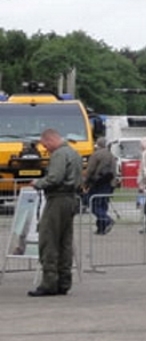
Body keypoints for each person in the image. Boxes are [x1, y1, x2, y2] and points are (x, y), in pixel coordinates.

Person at [29, 127, 84, 297]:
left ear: (50, 140)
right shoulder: (74, 153)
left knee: (49, 240)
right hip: (71, 198)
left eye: (45, 145)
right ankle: (64, 281)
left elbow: (55, 178)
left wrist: (38, 183)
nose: (45, 149)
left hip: (58, 199)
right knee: (65, 242)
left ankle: (49, 283)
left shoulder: (59, 154)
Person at [82, 137, 117, 235]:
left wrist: (85, 182)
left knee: (93, 205)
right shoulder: (111, 155)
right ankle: (101, 228)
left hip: (98, 183)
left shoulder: (96, 155)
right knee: (103, 205)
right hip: (109, 184)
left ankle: (106, 220)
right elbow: (114, 172)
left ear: (98, 144)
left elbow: (90, 170)